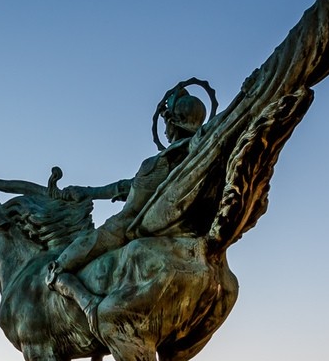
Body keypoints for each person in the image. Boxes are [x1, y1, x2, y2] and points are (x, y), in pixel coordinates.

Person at [41, 86, 208, 322]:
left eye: (167, 123)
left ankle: (90, 307)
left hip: (123, 229)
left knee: (56, 268)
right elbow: (127, 186)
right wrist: (87, 192)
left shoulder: (157, 163)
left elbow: (132, 196)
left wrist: (87, 193)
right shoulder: (193, 160)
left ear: (172, 123)